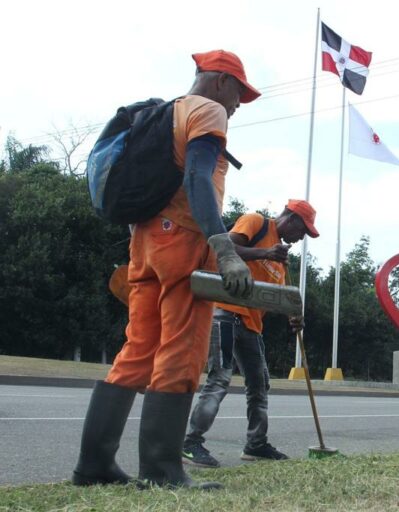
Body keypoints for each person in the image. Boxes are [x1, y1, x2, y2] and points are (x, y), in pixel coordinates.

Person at [73, 49, 261, 490]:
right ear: (219, 81)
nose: (237, 104)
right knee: (182, 351)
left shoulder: (161, 115)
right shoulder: (208, 110)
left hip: (144, 242)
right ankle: (161, 472)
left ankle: (94, 465)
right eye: (238, 92)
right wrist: (224, 247)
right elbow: (198, 178)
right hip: (182, 244)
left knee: (138, 349)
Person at [181, 200, 319, 468]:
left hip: (252, 326)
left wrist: (292, 314)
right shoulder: (256, 222)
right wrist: (265, 252)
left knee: (259, 384)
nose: (300, 238)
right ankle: (190, 444)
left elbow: (271, 298)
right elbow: (224, 247)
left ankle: (256, 445)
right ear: (291, 218)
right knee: (219, 378)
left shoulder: (280, 264)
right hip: (224, 313)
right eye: (302, 231)